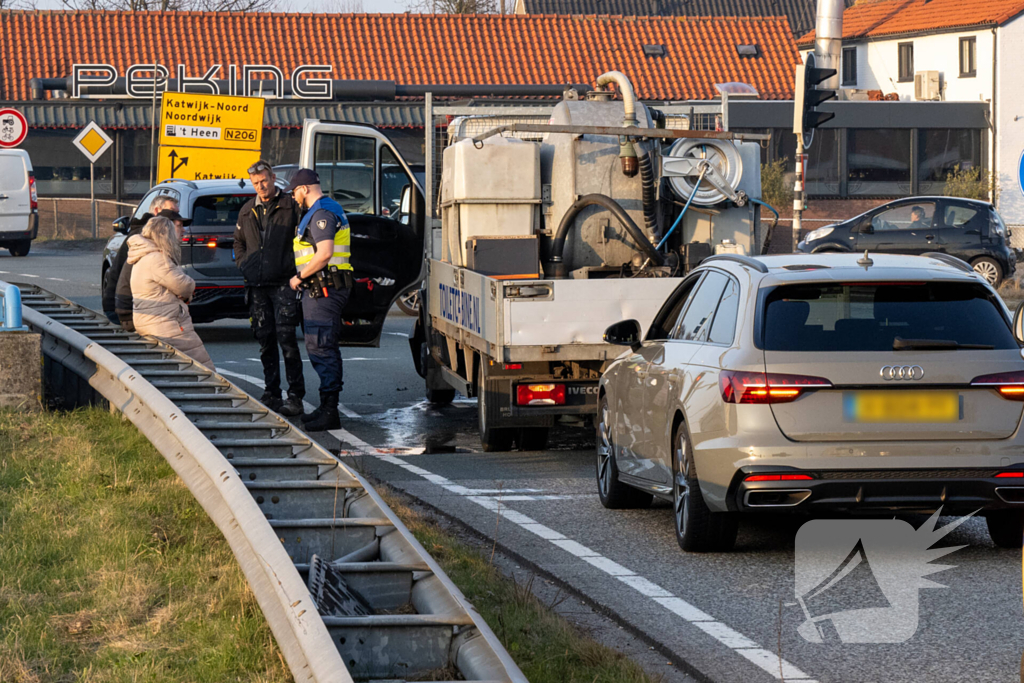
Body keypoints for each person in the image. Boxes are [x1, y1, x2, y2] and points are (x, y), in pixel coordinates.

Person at [234, 160, 305, 416]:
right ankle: (271, 392)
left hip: (284, 284)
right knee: (265, 340)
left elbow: (304, 240)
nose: (261, 186)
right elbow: (238, 244)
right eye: (256, 183)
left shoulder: (291, 207)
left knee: (287, 340)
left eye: (264, 181)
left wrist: (296, 270)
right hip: (256, 286)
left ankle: (295, 395)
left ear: (273, 178)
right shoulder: (246, 211)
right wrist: (245, 266)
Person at [286, 168, 352, 431]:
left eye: (294, 192)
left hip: (324, 288)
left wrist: (299, 276)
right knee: (319, 346)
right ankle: (326, 407)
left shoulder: (321, 213)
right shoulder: (322, 210)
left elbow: (324, 254)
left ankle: (330, 411)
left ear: (304, 189)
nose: (293, 197)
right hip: (322, 289)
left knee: (322, 347)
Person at [126, 216, 214, 369]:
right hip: (165, 322)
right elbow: (183, 285)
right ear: (165, 235)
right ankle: (214, 392)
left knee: (169, 366)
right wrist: (191, 285)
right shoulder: (157, 259)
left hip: (150, 320)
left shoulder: (142, 257)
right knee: (201, 366)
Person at [105, 194, 183, 330]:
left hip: (124, 305)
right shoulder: (147, 237)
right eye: (173, 212)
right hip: (125, 308)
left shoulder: (142, 233)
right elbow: (171, 278)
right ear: (158, 212)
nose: (177, 217)